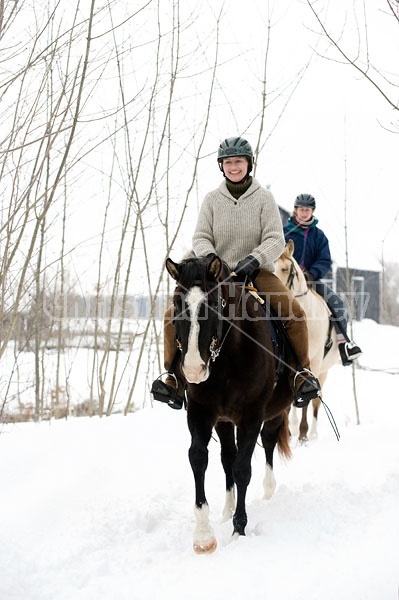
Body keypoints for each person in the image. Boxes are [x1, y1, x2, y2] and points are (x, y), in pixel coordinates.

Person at [151, 136, 321, 409]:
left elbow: (275, 239)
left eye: (238, 162)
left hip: (257, 274)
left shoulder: (264, 198)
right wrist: (214, 261)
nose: (233, 167)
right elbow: (201, 237)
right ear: (221, 166)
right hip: (216, 275)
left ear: (248, 164)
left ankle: (301, 374)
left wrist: (254, 260)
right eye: (228, 162)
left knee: (294, 313)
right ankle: (174, 378)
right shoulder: (212, 200)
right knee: (173, 314)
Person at [283, 193, 362, 366]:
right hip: (285, 282)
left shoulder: (319, 236)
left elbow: (324, 260)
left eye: (308, 210)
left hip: (311, 281)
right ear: (295, 211)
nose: (304, 213)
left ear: (312, 211)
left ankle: (344, 344)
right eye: (301, 210)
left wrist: (312, 273)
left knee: (337, 302)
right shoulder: (284, 232)